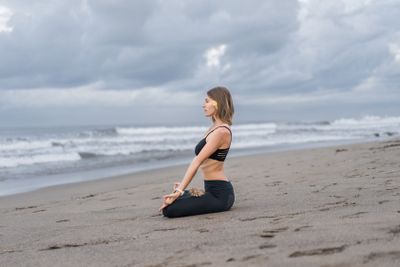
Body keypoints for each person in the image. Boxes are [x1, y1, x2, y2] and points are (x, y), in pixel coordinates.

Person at [159, 86, 235, 218]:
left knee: (169, 210)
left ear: (217, 103)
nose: (203, 105)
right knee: (171, 202)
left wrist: (179, 190)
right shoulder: (214, 128)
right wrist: (181, 189)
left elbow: (197, 161)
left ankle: (183, 192)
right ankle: (185, 193)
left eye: (207, 101)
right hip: (210, 189)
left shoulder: (221, 132)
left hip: (220, 195)